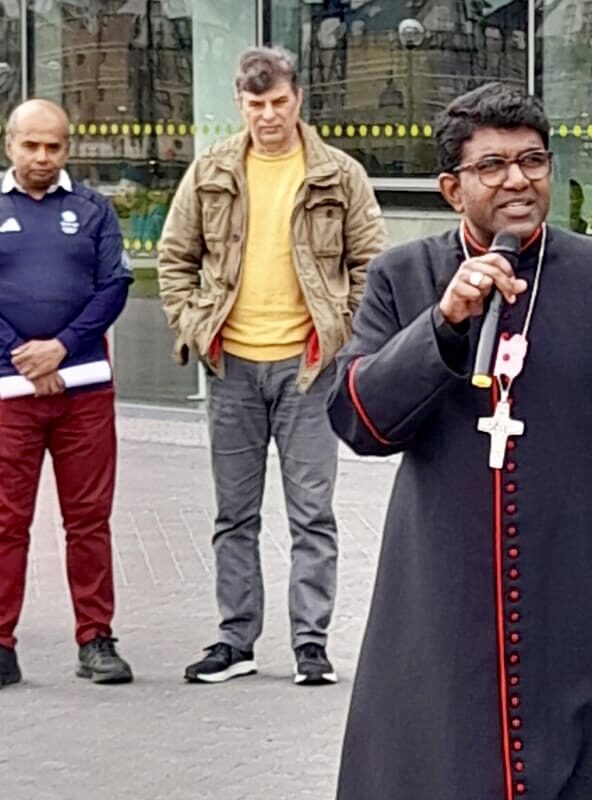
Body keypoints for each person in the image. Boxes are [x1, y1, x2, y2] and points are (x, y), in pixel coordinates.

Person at [328, 83, 592, 799]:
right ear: (452, 188)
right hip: (445, 595)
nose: (517, 180)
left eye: (532, 161)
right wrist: (443, 322)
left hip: (583, 584)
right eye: (492, 165)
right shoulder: (403, 277)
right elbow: (361, 421)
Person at [157, 46, 387, 686]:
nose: (268, 115)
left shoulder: (337, 174)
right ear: (240, 102)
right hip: (230, 365)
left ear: (298, 98)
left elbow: (371, 263)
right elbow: (174, 259)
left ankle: (311, 644)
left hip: (308, 370)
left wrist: (339, 333)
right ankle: (236, 641)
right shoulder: (210, 171)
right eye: (256, 104)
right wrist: (195, 327)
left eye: (279, 102)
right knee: (234, 515)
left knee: (313, 514)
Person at [0, 99, 134, 687]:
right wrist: (23, 355)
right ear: (10, 144)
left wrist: (61, 347)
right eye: (31, 145)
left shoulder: (93, 209)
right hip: (8, 393)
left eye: (53, 146)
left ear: (67, 149)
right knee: (6, 522)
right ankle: (1, 644)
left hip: (83, 391)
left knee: (88, 520)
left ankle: (96, 640)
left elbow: (114, 286)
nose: (42, 156)